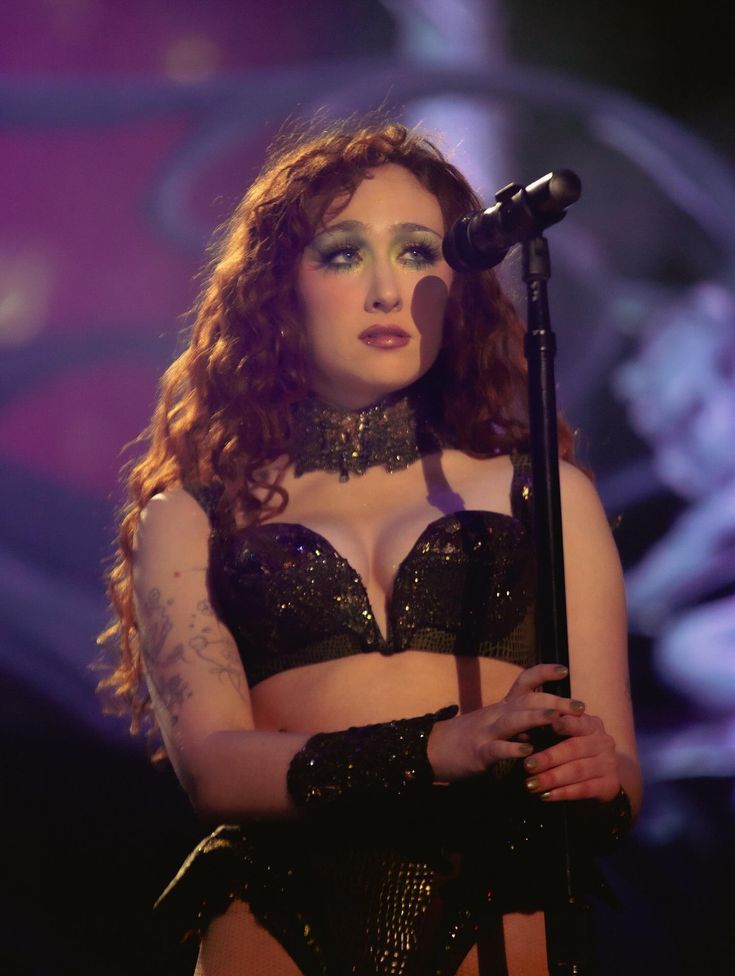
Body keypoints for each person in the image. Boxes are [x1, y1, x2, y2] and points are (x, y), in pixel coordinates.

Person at [98, 120, 642, 976]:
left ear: (458, 284)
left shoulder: (544, 494)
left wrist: (594, 776)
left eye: (419, 252)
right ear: (280, 287)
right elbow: (212, 769)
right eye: (345, 254)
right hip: (276, 915)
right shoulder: (194, 516)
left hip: (498, 908)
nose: (389, 290)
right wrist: (435, 749)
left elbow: (619, 772)